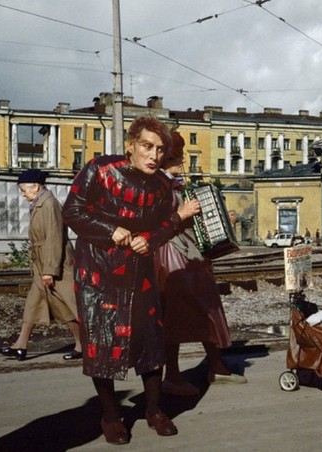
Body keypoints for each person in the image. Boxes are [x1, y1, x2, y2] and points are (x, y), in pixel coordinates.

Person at [62, 116, 199, 445]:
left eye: (159, 150)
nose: (153, 155)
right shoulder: (99, 169)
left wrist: (149, 238)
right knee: (103, 344)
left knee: (150, 343)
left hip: (141, 276)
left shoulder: (163, 187)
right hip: (98, 274)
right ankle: (111, 416)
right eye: (146, 147)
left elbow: (166, 226)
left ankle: (154, 411)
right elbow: (72, 211)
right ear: (130, 145)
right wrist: (112, 231)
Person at [154, 131, 246, 397]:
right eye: (178, 156)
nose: (182, 161)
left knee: (204, 309)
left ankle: (213, 365)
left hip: (188, 256)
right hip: (172, 259)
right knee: (176, 317)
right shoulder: (159, 185)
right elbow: (159, 222)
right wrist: (184, 214)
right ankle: (173, 374)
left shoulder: (173, 183)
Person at [0, 169, 81, 361]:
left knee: (69, 306)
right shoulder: (39, 203)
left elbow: (54, 237)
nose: (23, 194)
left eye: (24, 189)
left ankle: (89, 344)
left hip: (56, 266)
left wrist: (49, 271)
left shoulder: (48, 204)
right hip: (42, 264)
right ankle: (20, 345)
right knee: (33, 303)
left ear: (35, 186)